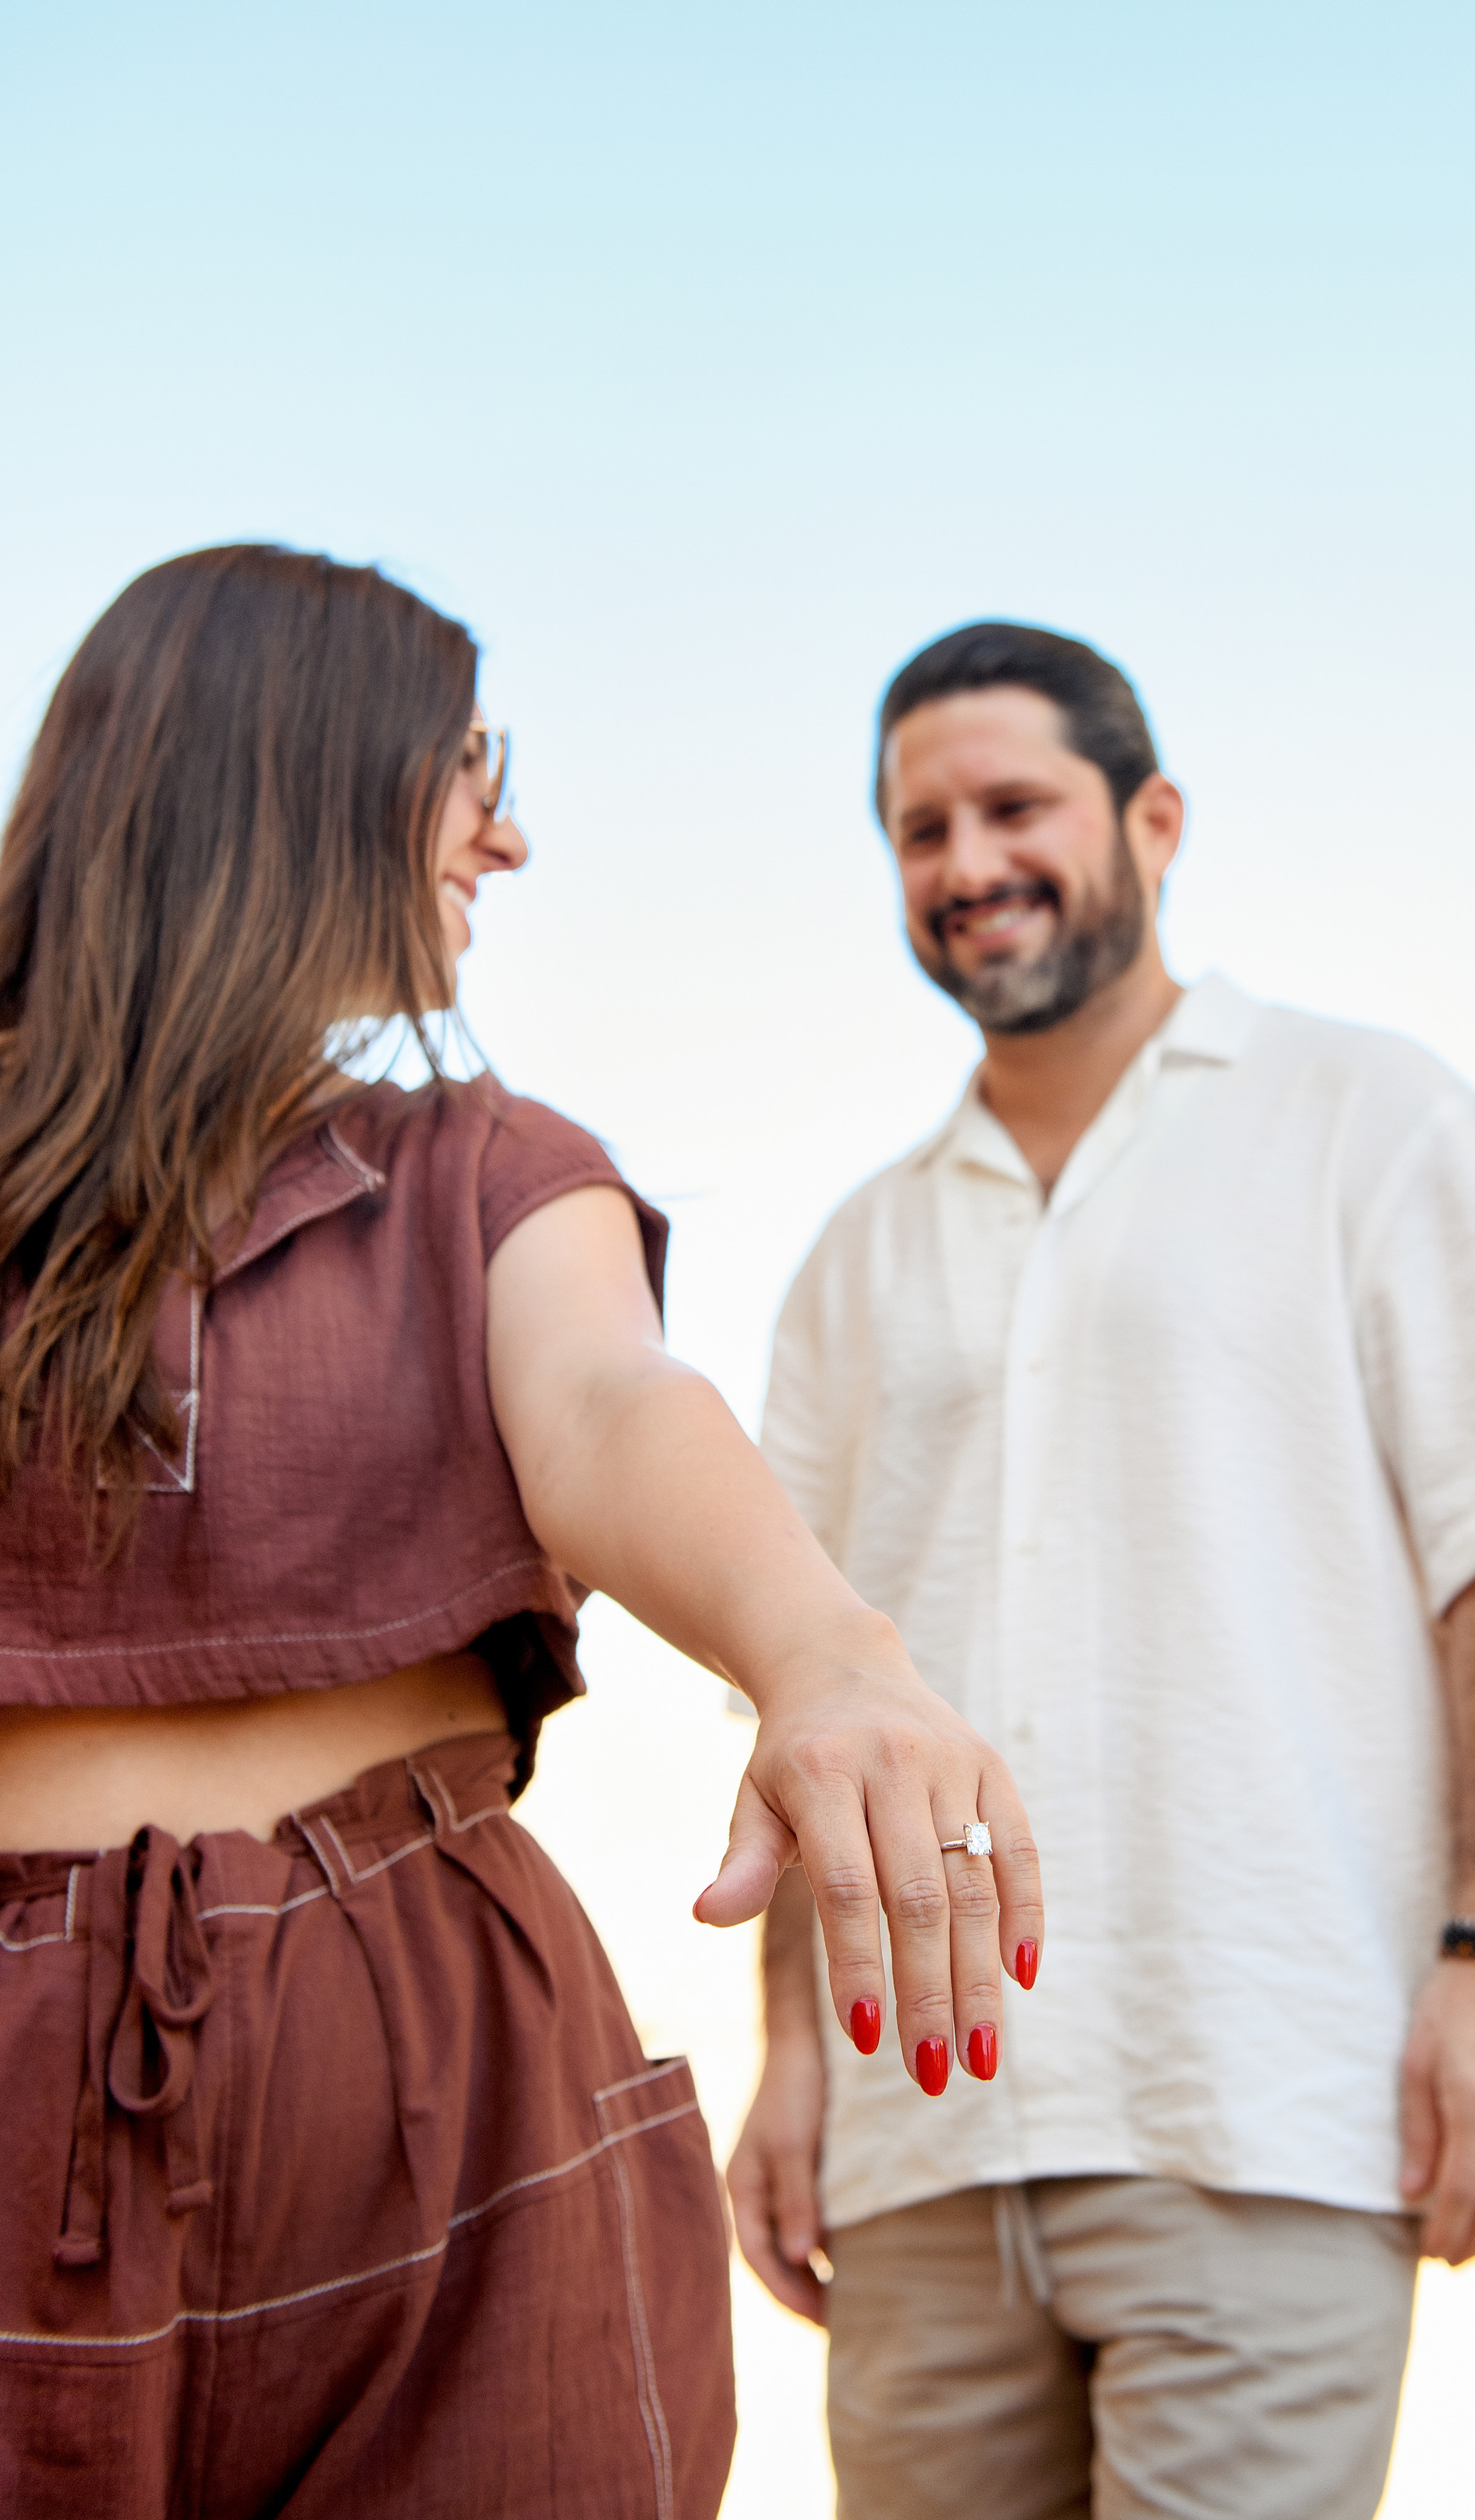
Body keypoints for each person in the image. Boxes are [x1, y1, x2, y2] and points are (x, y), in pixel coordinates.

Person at [0, 550, 1042, 2520]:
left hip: (427, 2064)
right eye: (470, 762)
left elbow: (610, 1402)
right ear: (301, 768)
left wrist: (826, 1653)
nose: (513, 830)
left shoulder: (490, 1166)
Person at [729, 620, 1475, 2520]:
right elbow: (803, 1702)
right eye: (919, 830)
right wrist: (793, 2059)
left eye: (1013, 807)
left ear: (1150, 818)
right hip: (921, 2148)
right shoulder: (854, 1257)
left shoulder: (1367, 1119)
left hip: (1269, 2092)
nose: (966, 864)